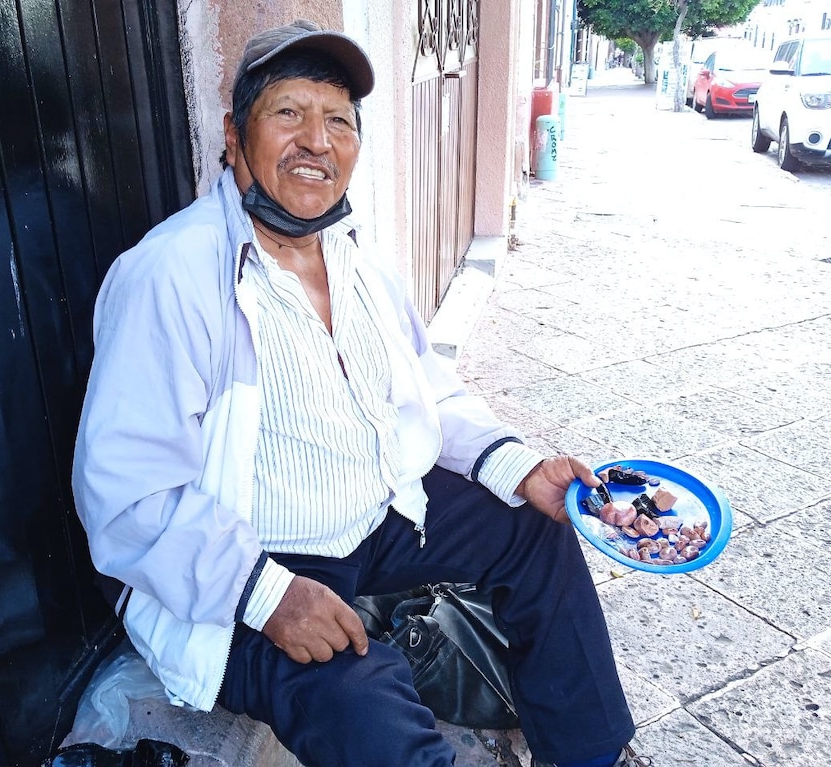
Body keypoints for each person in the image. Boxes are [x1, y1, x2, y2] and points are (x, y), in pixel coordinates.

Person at [72, 19, 649, 767]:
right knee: (363, 703)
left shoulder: (354, 261)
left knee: (535, 528)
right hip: (252, 558)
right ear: (234, 136)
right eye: (287, 112)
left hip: (375, 516)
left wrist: (521, 468)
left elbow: (427, 390)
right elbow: (126, 493)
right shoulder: (170, 276)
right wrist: (266, 594)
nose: (316, 140)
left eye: (338, 121)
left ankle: (590, 754)